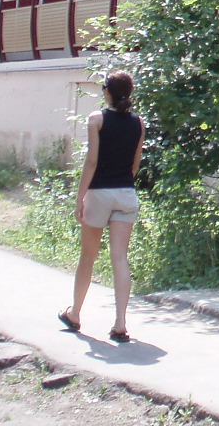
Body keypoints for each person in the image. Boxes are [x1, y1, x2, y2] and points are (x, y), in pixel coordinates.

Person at [59, 70, 144, 343]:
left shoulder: (96, 119)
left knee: (88, 256)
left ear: (106, 91)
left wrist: (80, 197)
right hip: (126, 193)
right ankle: (120, 323)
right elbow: (135, 164)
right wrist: (122, 183)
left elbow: (92, 161)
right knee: (120, 258)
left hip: (99, 193)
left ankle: (75, 313)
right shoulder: (138, 123)